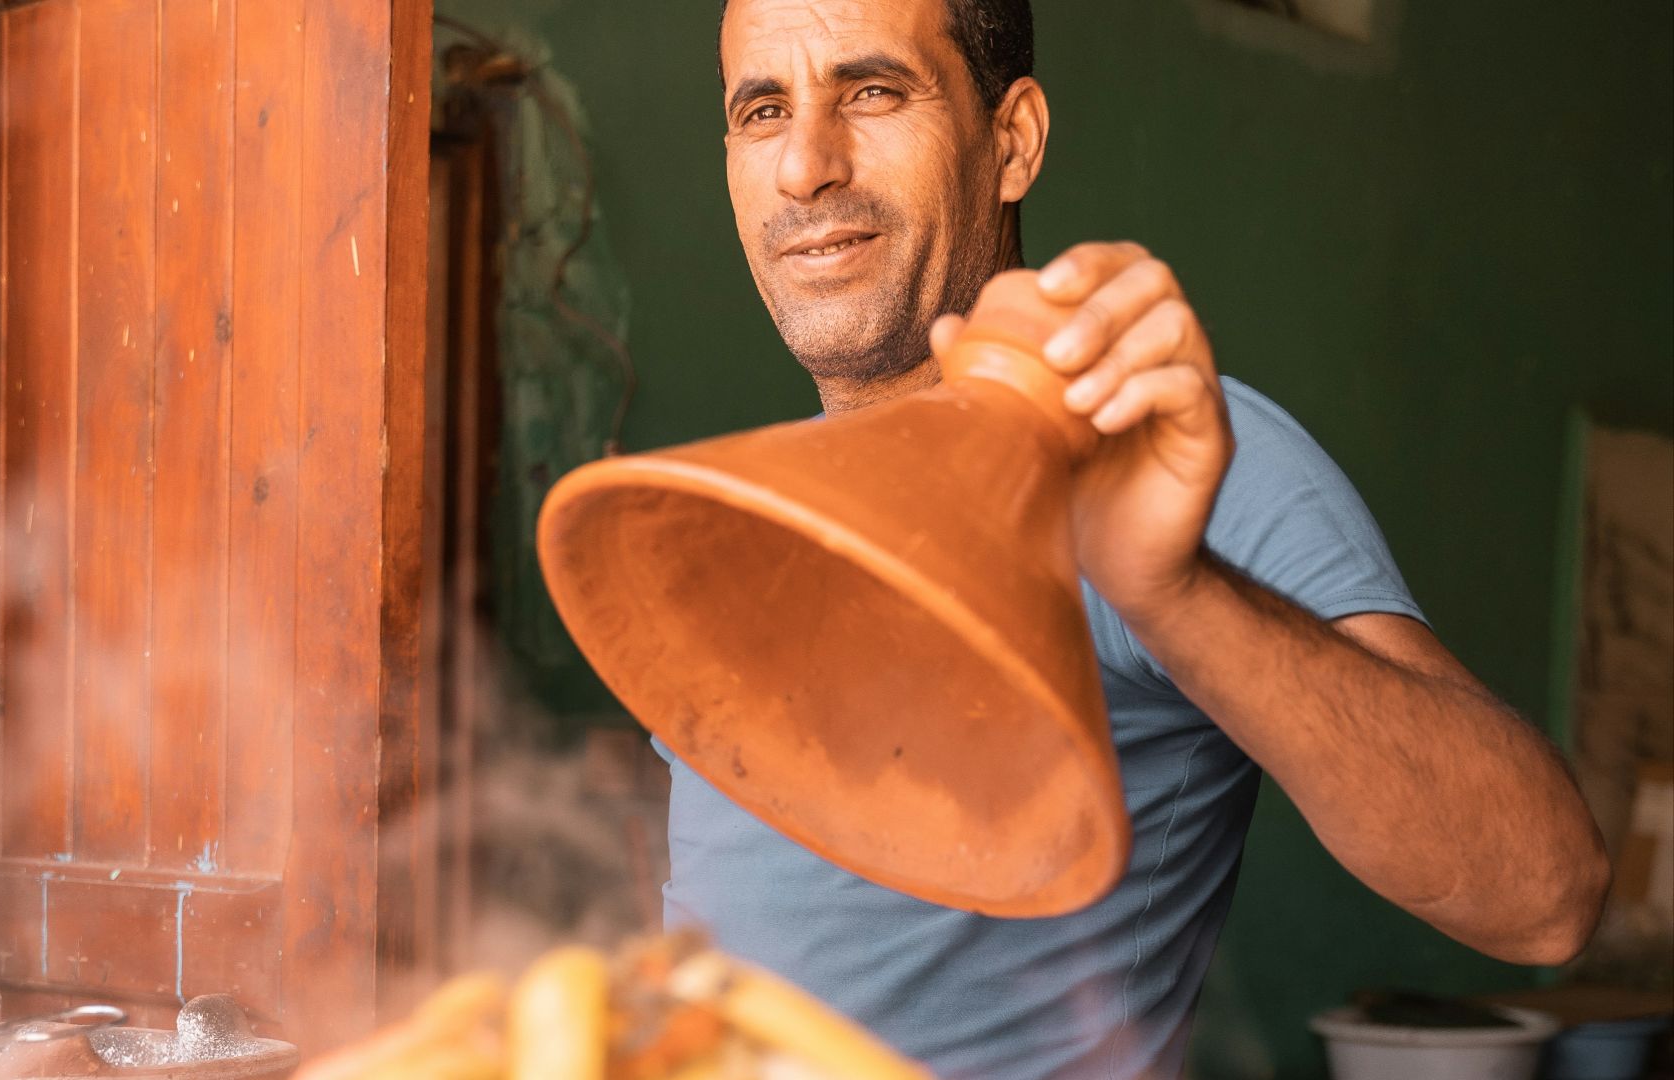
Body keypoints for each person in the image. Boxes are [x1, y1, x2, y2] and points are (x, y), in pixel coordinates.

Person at [654, 1, 1613, 1076]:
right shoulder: (725, 512)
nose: (805, 167)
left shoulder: (1153, 448)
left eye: (872, 92)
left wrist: (1173, 588)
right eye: (763, 110)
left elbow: (1546, 899)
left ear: (1011, 141)